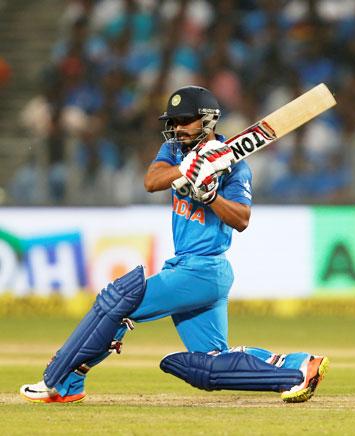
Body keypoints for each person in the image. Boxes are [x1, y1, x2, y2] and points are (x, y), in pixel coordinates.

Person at [20, 85, 329, 404]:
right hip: (189, 267)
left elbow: (241, 219)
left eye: (185, 120)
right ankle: (298, 368)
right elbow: (151, 181)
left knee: (118, 302)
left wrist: (210, 196)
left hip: (203, 268)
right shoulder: (175, 152)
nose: (177, 128)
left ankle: (62, 379)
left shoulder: (235, 167)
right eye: (174, 121)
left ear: (208, 120)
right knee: (211, 363)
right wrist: (188, 168)